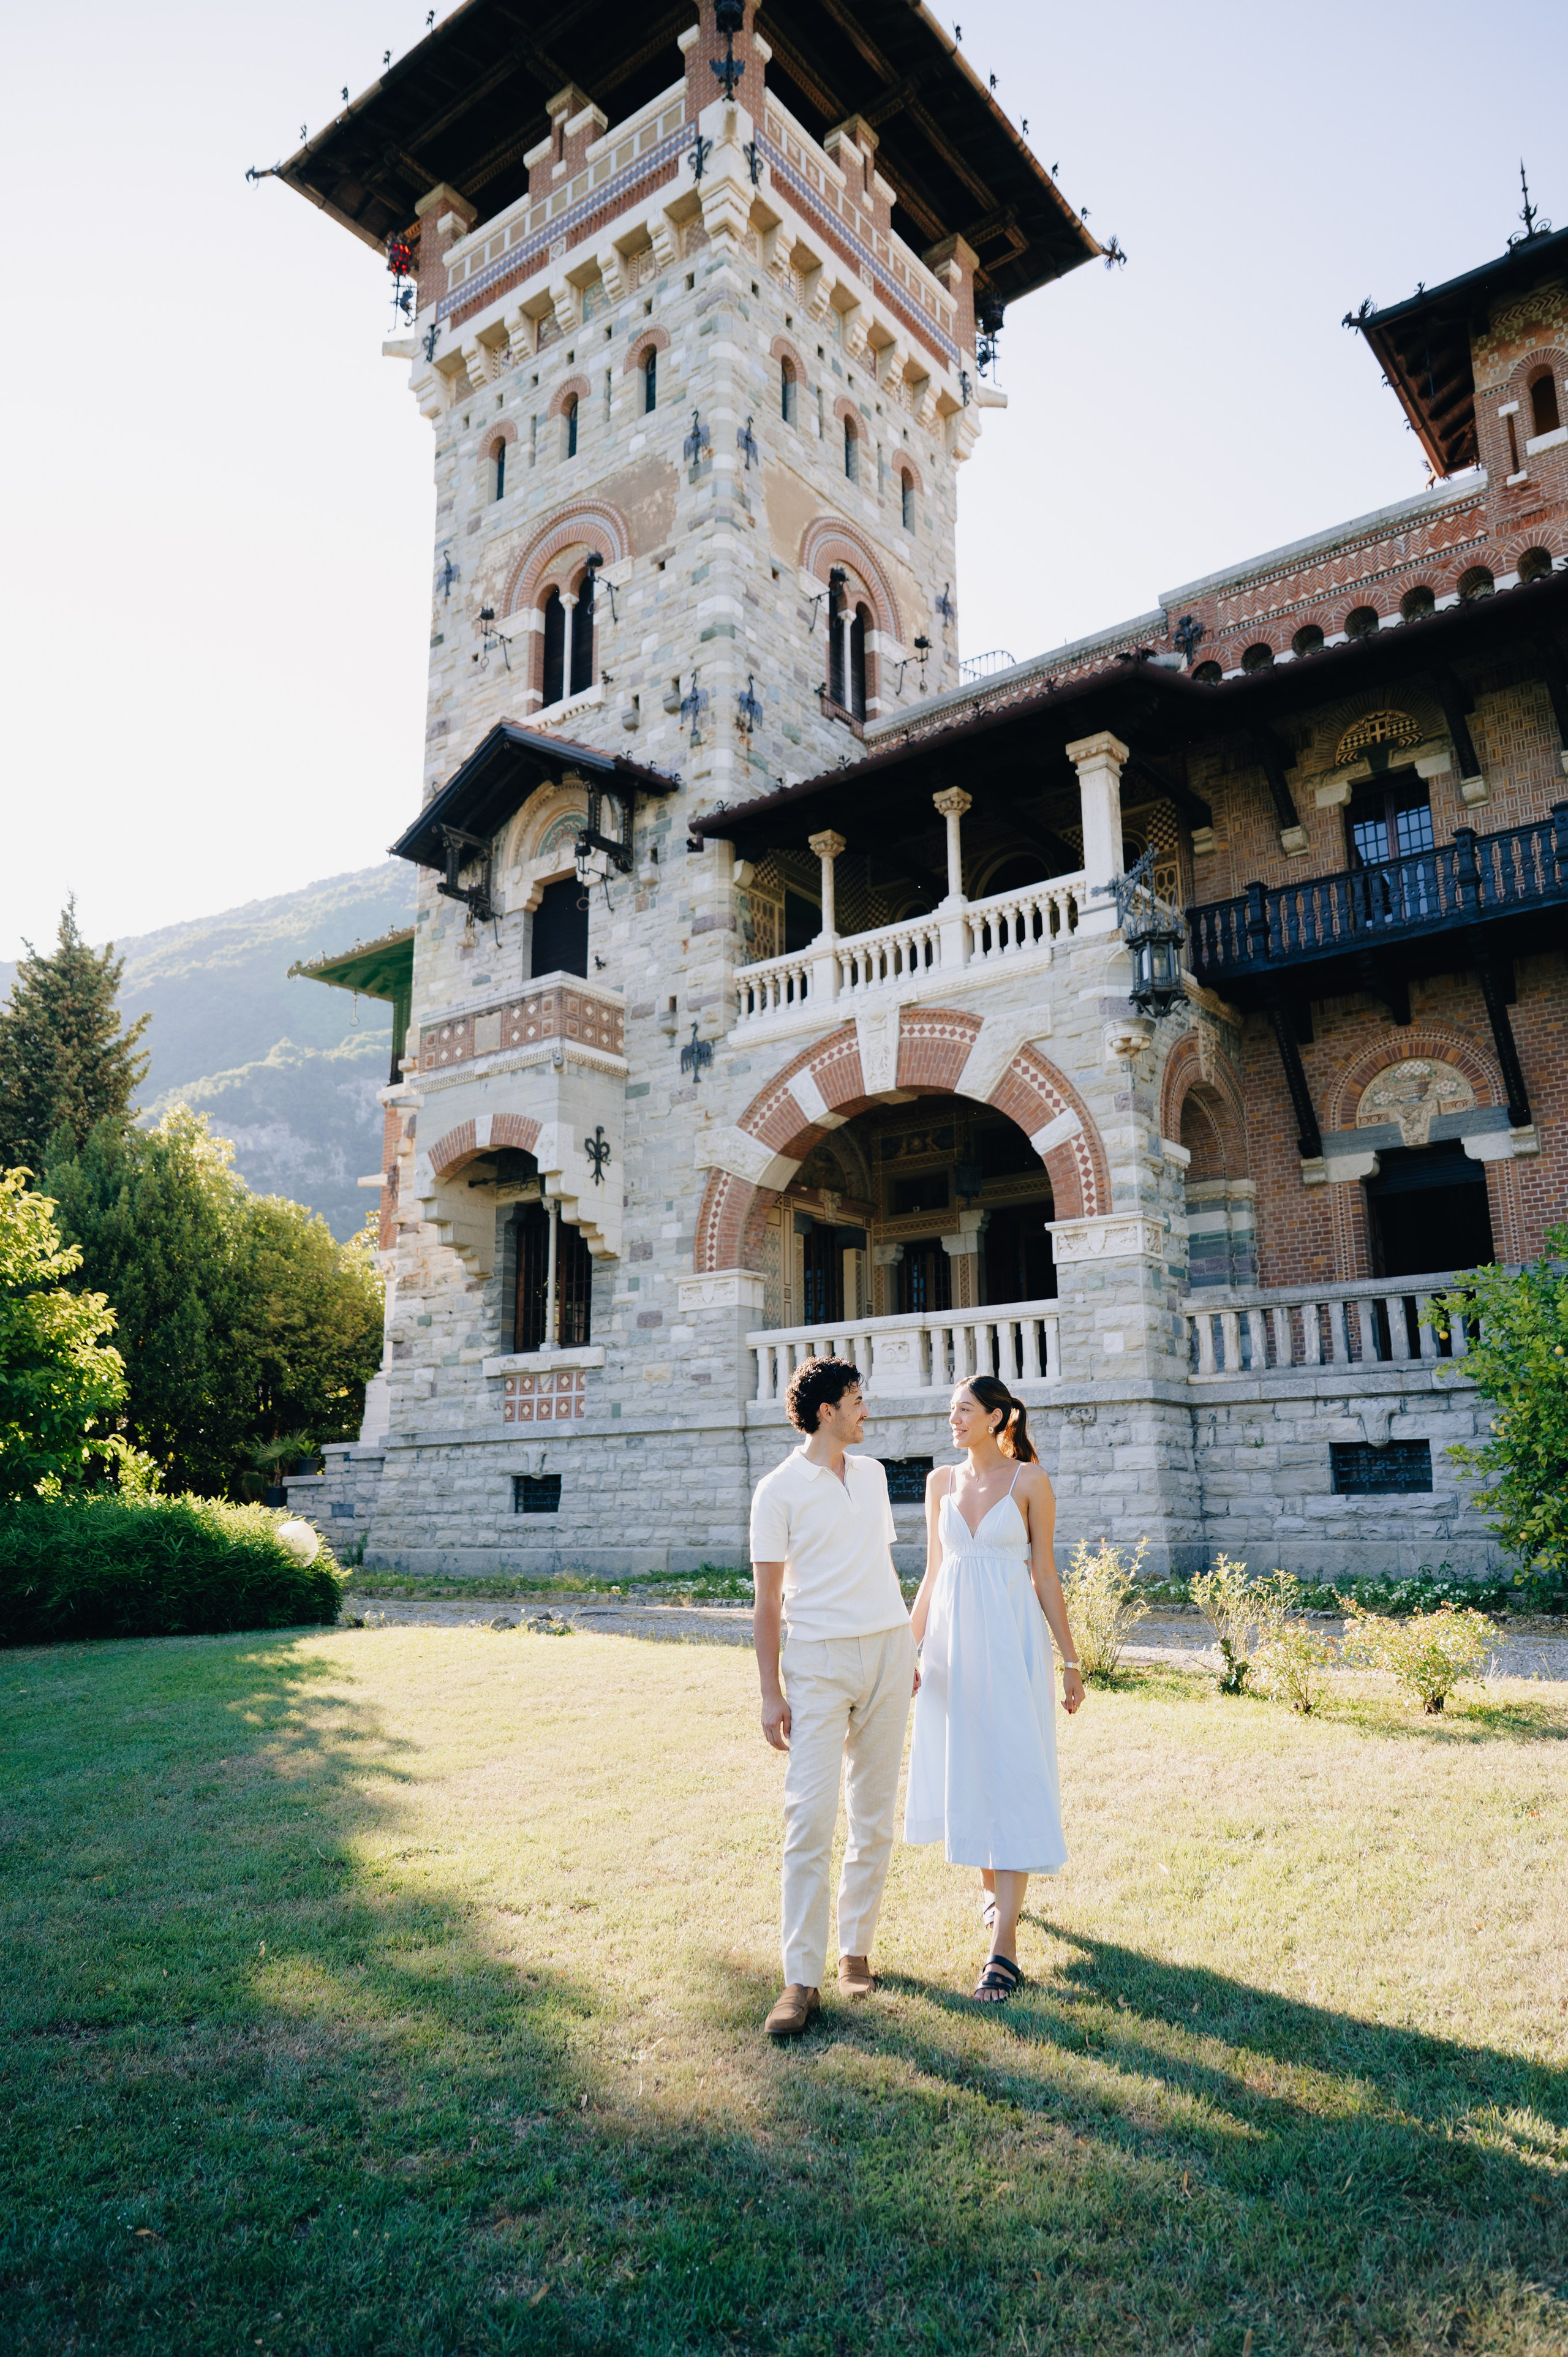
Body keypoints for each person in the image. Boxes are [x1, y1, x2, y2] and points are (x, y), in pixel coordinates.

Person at [750, 1356, 917, 2040]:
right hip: (817, 1663)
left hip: (887, 1650)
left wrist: (902, 1643)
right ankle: (799, 1978)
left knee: (873, 1815)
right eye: (855, 1399)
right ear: (826, 1410)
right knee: (809, 1819)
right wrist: (770, 1691)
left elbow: (877, 1565)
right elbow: (764, 1603)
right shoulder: (777, 1490)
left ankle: (855, 1951)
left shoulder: (873, 1475)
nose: (864, 1410)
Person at [904, 1375, 1085, 2002]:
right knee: (970, 1769)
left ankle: (1003, 1947)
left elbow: (1044, 1575)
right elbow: (931, 1573)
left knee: (1011, 1772)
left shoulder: (1030, 1481)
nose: (952, 1419)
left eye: (963, 1410)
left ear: (996, 1415)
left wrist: (1071, 1660)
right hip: (952, 1649)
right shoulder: (938, 1483)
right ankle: (993, 1894)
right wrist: (908, 1648)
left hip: (1013, 1648)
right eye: (950, 1410)